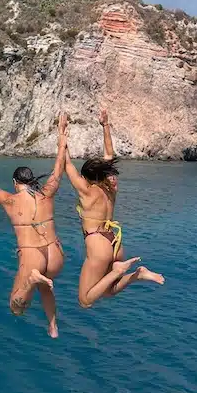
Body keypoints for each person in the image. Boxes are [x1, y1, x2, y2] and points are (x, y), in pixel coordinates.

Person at [0, 113, 68, 337]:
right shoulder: (47, 192)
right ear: (31, 181)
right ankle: (53, 326)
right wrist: (61, 135)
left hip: (33, 256)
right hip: (56, 252)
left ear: (15, 183)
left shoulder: (10, 200)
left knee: (16, 306)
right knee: (46, 288)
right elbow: (59, 167)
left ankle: (33, 278)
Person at [65, 109, 164, 308]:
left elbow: (67, 165)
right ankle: (137, 275)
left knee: (85, 300)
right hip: (115, 242)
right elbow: (109, 154)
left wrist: (62, 136)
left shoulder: (88, 191)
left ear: (88, 177)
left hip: (98, 243)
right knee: (107, 290)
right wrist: (105, 125)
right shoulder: (110, 187)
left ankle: (120, 271)